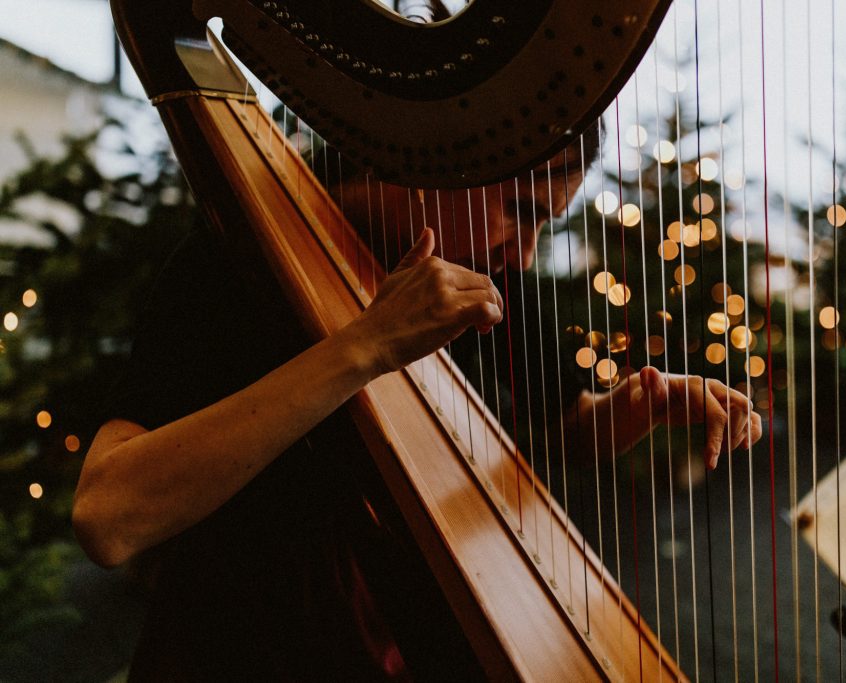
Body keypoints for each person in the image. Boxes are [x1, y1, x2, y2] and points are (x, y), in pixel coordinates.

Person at [72, 139, 762, 679]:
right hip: (247, 651)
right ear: (444, 160)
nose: (521, 252)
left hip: (414, 642)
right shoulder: (238, 256)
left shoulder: (495, 277)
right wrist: (364, 346)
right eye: (520, 210)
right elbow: (108, 516)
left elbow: (556, 426)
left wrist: (628, 410)